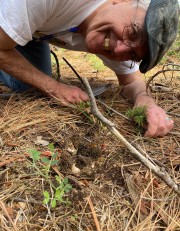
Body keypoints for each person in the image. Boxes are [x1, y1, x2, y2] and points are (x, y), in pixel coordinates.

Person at [0, 0, 179, 137]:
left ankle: (15, 34)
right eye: (132, 32)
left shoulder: (113, 33)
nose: (119, 50)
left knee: (27, 86)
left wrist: (145, 100)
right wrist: (53, 87)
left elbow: (132, 80)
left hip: (34, 29)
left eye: (133, 55)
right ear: (123, 0)